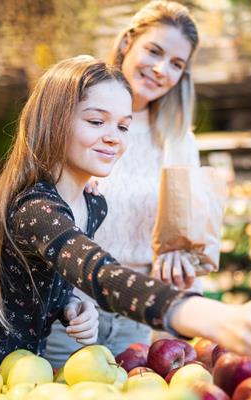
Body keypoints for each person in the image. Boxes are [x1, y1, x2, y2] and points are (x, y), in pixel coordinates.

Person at [0, 56, 251, 394]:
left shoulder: (93, 204)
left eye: (123, 126)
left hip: (15, 377)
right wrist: (209, 316)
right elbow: (99, 272)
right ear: (54, 121)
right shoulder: (35, 207)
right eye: (97, 121)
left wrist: (70, 304)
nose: (113, 138)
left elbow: (55, 273)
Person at [44, 0, 209, 368]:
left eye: (176, 64)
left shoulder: (179, 141)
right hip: (68, 308)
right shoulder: (78, 115)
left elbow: (186, 232)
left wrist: (182, 254)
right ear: (126, 44)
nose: (160, 69)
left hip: (134, 313)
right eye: (154, 51)